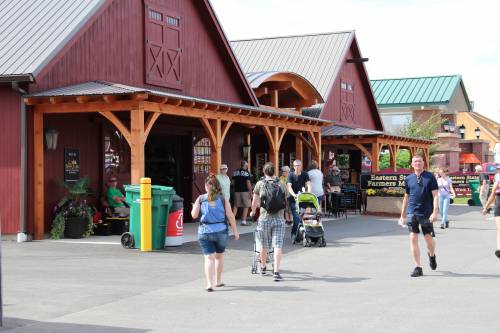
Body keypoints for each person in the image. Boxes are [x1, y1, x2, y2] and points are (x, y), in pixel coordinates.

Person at [191, 174, 239, 292]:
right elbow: (231, 216)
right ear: (217, 186)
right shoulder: (223, 199)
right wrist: (235, 232)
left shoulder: (201, 199)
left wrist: (194, 207)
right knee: (219, 256)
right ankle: (218, 281)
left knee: (208, 258)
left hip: (205, 231)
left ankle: (209, 284)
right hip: (221, 231)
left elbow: (194, 215)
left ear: (206, 186)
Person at [399, 154, 439, 277]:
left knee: (428, 239)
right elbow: (406, 197)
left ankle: (432, 255)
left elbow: (436, 195)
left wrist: (435, 212)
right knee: (413, 238)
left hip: (426, 212)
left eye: (419, 161)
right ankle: (418, 267)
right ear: (412, 164)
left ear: (423, 163)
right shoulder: (408, 179)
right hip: (412, 212)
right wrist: (402, 214)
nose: (417, 163)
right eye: (415, 161)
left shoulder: (430, 177)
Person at [251, 162, 287, 281]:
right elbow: (284, 201)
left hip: (264, 218)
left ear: (264, 172)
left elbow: (254, 203)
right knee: (277, 245)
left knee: (264, 245)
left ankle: (263, 267)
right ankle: (276, 272)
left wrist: (252, 212)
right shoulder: (281, 184)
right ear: (274, 172)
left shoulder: (260, 184)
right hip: (279, 219)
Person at [287, 160, 312, 236]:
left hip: (303, 198)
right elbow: (289, 186)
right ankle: (294, 232)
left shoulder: (305, 174)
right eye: (295, 166)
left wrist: (309, 193)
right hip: (293, 199)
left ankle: (305, 232)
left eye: (298, 165)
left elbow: (309, 184)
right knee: (297, 217)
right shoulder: (290, 175)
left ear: (301, 166)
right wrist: (294, 194)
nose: (297, 167)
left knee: (306, 216)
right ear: (293, 166)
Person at [482, 178, 500, 258]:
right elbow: (492, 196)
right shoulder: (497, 183)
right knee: (499, 230)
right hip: (498, 208)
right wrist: (486, 207)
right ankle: (499, 249)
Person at [232, 160, 253, 226]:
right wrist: (251, 191)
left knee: (236, 206)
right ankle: (243, 221)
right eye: (247, 165)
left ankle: (231, 221)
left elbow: (232, 182)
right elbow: (248, 183)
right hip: (245, 191)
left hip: (236, 191)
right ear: (245, 165)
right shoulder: (247, 172)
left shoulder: (235, 172)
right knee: (246, 206)